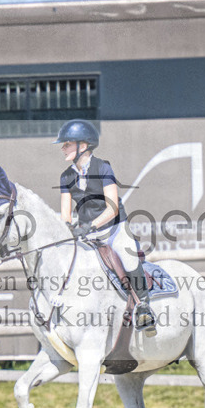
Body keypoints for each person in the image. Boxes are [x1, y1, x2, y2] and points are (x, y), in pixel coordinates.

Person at [54, 119, 157, 335]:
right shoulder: (66, 176)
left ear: (83, 146)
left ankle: (143, 306)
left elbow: (111, 208)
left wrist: (90, 225)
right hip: (86, 235)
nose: (62, 148)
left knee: (128, 256)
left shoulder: (103, 167)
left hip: (113, 228)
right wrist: (67, 228)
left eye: (66, 144)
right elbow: (65, 213)